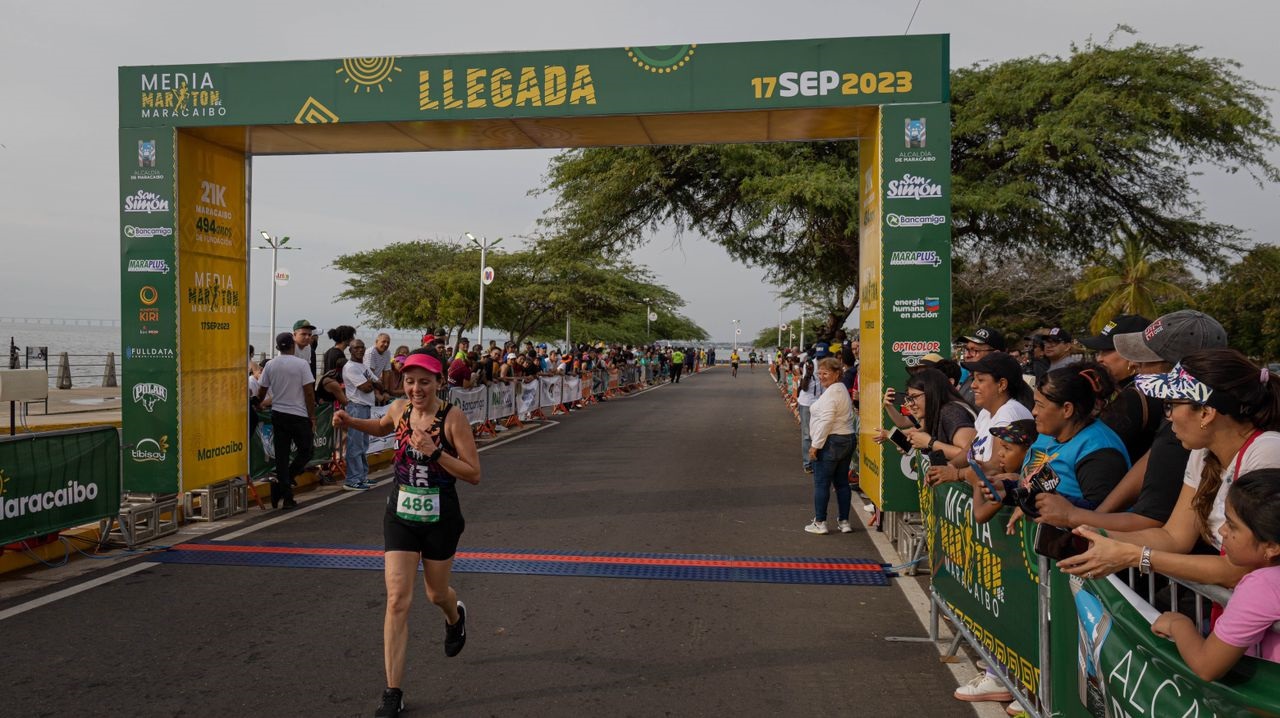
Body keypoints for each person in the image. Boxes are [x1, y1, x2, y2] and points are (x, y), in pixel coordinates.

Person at [333, 354, 481, 718]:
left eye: (425, 382)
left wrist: (436, 453)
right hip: (400, 513)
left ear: (438, 383)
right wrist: (351, 421)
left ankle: (454, 617)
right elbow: (383, 426)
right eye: (410, 381)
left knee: (435, 593)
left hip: (441, 518)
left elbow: (474, 473)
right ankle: (393, 691)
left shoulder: (453, 418)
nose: (417, 389)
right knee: (398, 598)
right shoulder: (399, 408)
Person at [1060, 349, 1280, 587]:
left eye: (1171, 405)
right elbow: (1174, 536)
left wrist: (1134, 556)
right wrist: (1095, 535)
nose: (1169, 417)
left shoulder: (1266, 452)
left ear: (1206, 413)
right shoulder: (1203, 452)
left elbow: (1240, 570)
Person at [1034, 310, 1228, 532]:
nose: (1136, 366)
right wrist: (1093, 516)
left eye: (1146, 360)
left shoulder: (1190, 426)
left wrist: (1076, 518)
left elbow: (1159, 527)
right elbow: (1153, 456)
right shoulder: (1179, 420)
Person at [1152, 470, 1280, 680]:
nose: (1222, 531)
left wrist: (1178, 624)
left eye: (1232, 525)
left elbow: (1206, 666)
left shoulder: (1262, 586)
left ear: (1272, 547)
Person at [1082, 314, 1162, 463]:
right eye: (1098, 352)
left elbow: (1094, 448)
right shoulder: (1150, 387)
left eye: (1107, 350)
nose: (1099, 358)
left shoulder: (1134, 397)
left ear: (1135, 353)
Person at [254, 332, 316, 510]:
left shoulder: (271, 365)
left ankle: (284, 490)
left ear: (277, 347)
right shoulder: (302, 364)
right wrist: (312, 415)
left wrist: (258, 403)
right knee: (307, 451)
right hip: (298, 415)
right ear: (293, 345)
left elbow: (262, 390)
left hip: (278, 414)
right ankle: (285, 487)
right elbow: (309, 392)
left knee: (282, 457)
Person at [805, 356, 857, 534]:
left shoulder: (832, 393)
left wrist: (815, 446)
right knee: (842, 483)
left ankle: (820, 522)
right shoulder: (840, 388)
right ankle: (844, 521)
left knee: (822, 483)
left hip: (831, 441)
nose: (821, 376)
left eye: (825, 373)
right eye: (819, 373)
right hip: (847, 438)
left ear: (837, 374)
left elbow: (827, 421)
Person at [343, 339, 383, 491]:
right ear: (350, 351)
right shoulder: (350, 367)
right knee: (355, 444)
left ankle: (361, 476)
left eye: (362, 347)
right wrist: (372, 383)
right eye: (356, 348)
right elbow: (366, 388)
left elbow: (380, 383)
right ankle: (352, 479)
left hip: (365, 407)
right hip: (356, 407)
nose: (360, 350)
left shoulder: (363, 366)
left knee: (364, 444)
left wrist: (372, 383)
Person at [956, 327, 1006, 404]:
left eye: (974, 350)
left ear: (995, 354)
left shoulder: (1003, 388)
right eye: (967, 349)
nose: (967, 355)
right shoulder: (970, 378)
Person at [796, 347, 826, 474]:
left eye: (822, 356)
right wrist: (808, 374)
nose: (820, 359)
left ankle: (817, 460)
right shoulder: (809, 364)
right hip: (807, 403)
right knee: (807, 434)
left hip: (821, 403)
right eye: (818, 357)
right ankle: (807, 463)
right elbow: (804, 387)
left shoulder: (828, 365)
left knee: (819, 432)